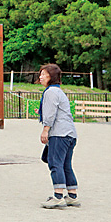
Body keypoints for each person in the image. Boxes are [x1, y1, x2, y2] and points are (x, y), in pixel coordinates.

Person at [38, 63, 79, 209]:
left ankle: (58, 196)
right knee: (66, 164)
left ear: (51, 77)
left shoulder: (50, 92)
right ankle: (72, 195)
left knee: (55, 163)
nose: (40, 77)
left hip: (59, 133)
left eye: (43, 74)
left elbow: (50, 114)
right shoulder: (59, 92)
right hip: (70, 133)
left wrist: (45, 130)